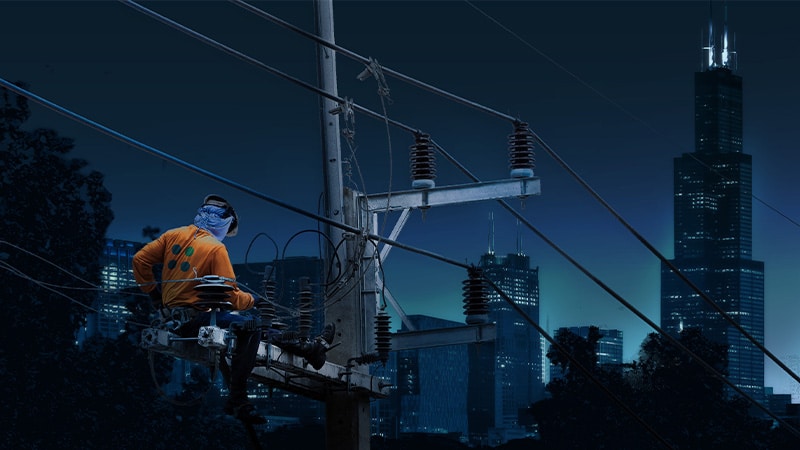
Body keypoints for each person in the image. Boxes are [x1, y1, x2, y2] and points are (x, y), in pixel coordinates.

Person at [133, 195, 336, 425]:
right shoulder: (215, 249)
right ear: (224, 222)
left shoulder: (173, 235)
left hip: (176, 320)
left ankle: (310, 348)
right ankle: (238, 398)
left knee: (253, 326)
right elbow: (231, 295)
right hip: (197, 319)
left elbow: (140, 260)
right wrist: (254, 300)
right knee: (251, 329)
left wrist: (155, 296)